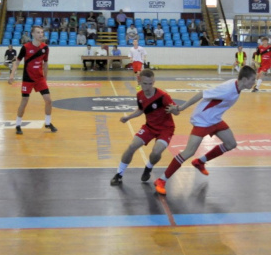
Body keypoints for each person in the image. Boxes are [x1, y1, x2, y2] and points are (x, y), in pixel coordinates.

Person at [154, 66, 257, 195]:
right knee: (188, 152)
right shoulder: (228, 88)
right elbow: (201, 94)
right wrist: (180, 108)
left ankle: (200, 161)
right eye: (253, 79)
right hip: (202, 119)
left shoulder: (237, 87)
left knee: (231, 144)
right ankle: (161, 180)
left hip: (215, 119)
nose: (254, 82)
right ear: (245, 79)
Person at [110, 69, 177, 186]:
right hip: (149, 127)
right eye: (145, 83)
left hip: (165, 129)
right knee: (131, 147)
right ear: (139, 81)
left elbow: (176, 111)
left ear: (154, 81)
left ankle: (148, 168)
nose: (148, 86)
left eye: (151, 83)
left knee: (156, 152)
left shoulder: (163, 96)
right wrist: (128, 117)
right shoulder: (140, 95)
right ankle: (119, 174)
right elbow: (141, 110)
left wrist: (174, 110)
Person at [8, 26, 57, 135]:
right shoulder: (25, 47)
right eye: (38, 32)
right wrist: (12, 74)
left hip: (39, 78)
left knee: (48, 100)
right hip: (28, 79)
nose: (41, 34)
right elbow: (17, 62)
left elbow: (45, 63)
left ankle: (48, 123)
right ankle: (18, 125)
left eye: (42, 32)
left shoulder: (45, 48)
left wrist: (45, 78)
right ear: (33, 34)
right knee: (24, 101)